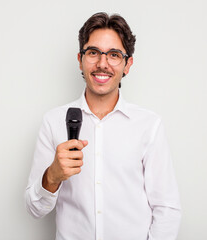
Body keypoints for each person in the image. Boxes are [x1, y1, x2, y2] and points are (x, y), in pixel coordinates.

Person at [25, 12, 181, 240]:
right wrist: (52, 177)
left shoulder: (149, 125)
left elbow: (167, 208)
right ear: (80, 59)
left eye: (114, 55)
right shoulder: (53, 122)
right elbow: (34, 209)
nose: (102, 64)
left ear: (127, 64)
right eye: (93, 52)